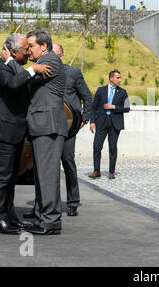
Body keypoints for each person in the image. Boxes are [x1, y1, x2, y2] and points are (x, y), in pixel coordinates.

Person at [0, 33, 51, 235]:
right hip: (3, 131)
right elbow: (14, 84)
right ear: (13, 52)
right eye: (25, 50)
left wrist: (28, 69)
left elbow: (24, 83)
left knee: (10, 177)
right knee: (2, 177)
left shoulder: (13, 67)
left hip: (13, 132)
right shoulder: (0, 69)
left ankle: (9, 215)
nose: (29, 52)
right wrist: (33, 68)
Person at [4, 29, 67, 235]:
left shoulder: (51, 61)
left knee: (47, 176)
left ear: (44, 46)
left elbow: (25, 78)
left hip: (48, 126)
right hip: (41, 126)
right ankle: (42, 218)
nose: (28, 51)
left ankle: (50, 222)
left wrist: (10, 61)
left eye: (31, 46)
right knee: (41, 176)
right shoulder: (41, 62)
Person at [53, 43, 92, 216]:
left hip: (69, 129)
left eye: (54, 55)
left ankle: (73, 202)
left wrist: (84, 119)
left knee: (68, 163)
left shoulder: (73, 73)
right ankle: (43, 205)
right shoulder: (45, 72)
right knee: (47, 167)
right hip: (49, 127)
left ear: (61, 56)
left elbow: (87, 97)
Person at [89, 70, 130, 180]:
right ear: (111, 78)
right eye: (118, 78)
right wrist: (92, 122)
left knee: (112, 147)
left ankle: (111, 172)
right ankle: (96, 171)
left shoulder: (123, 92)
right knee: (97, 146)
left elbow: (127, 108)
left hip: (115, 123)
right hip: (101, 122)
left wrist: (114, 107)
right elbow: (93, 108)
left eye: (120, 78)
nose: (120, 80)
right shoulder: (100, 90)